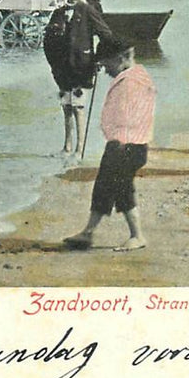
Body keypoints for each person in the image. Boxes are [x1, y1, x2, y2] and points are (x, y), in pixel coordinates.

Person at [64, 39, 155, 252]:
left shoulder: (131, 83)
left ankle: (137, 235)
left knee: (121, 190)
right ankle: (87, 233)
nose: (105, 70)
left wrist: (119, 143)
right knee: (105, 187)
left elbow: (127, 116)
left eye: (107, 65)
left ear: (121, 58)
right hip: (129, 143)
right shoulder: (138, 76)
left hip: (125, 144)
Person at [42, 0, 115, 155]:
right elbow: (48, 41)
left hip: (81, 68)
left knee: (78, 108)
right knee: (66, 107)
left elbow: (107, 36)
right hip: (61, 70)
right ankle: (66, 147)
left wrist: (98, 59)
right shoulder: (58, 13)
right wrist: (53, 63)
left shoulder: (88, 11)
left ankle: (79, 149)